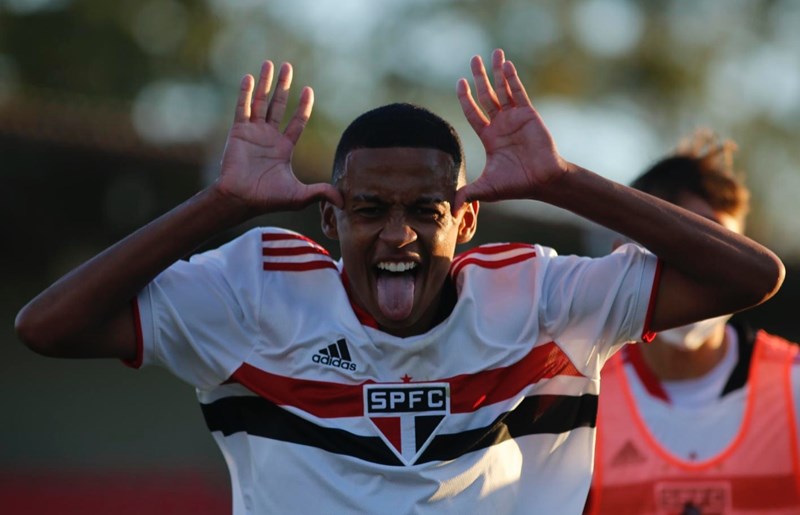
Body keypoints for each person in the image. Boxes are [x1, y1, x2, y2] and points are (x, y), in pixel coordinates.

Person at [15, 49, 784, 514]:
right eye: (369, 209)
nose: (397, 234)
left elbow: (750, 274)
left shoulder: (542, 299)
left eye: (426, 209)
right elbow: (47, 327)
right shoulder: (252, 293)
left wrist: (562, 180)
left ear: (467, 220)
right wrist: (219, 203)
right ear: (330, 219)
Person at [585, 132, 800, 515]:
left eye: (718, 248)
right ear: (629, 252)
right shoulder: (581, 396)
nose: (700, 269)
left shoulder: (795, 385)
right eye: (683, 247)